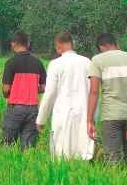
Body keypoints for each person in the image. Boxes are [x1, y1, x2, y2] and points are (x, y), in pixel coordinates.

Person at [86, 33, 127, 166]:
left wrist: (90, 120)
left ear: (102, 46)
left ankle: (115, 184)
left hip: (110, 115)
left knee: (112, 156)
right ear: (116, 44)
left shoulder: (97, 60)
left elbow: (94, 91)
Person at [36, 32, 96, 161]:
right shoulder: (87, 62)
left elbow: (50, 94)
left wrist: (41, 120)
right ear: (72, 44)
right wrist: (93, 118)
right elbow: (94, 92)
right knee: (83, 154)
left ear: (58, 47)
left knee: (61, 155)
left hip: (62, 115)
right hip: (84, 114)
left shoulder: (55, 64)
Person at [0, 30, 45, 150]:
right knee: (28, 147)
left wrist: (8, 94)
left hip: (16, 108)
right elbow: (44, 87)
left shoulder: (11, 63)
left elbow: (6, 88)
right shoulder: (38, 63)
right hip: (33, 109)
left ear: (15, 43)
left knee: (7, 144)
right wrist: (31, 88)